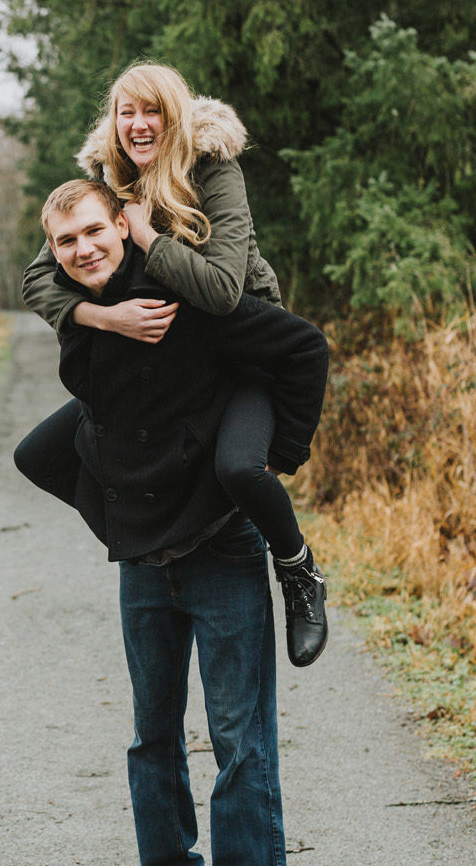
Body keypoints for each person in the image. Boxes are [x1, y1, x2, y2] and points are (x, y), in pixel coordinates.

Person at [23, 178, 329, 866]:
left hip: (222, 547)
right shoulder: (79, 313)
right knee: (151, 736)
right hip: (144, 560)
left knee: (238, 738)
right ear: (52, 251)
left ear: (124, 225)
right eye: (66, 241)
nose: (83, 248)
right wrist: (119, 517)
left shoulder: (185, 294)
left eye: (95, 231)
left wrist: (275, 459)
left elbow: (303, 350)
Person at [17, 62, 327, 667]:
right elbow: (38, 276)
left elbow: (220, 292)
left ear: (175, 114)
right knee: (38, 455)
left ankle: (298, 571)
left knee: (240, 469)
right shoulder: (110, 179)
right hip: (161, 352)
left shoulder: (213, 169)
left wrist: (146, 238)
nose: (138, 125)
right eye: (125, 112)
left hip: (241, 349)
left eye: (150, 110)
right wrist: (103, 319)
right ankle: (144, 528)